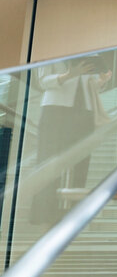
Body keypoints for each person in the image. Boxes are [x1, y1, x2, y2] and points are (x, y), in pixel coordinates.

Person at [30, 57, 111, 226]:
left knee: (81, 163)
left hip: (85, 112)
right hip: (56, 109)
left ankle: (73, 215)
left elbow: (88, 86)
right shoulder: (51, 48)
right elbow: (42, 81)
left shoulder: (91, 52)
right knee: (49, 160)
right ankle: (44, 214)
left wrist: (101, 82)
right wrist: (69, 74)